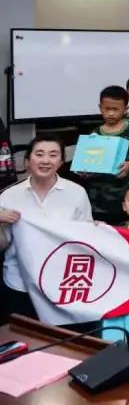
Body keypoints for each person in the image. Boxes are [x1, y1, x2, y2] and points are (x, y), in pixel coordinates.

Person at [0, 135, 93, 318]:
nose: (45, 161)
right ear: (27, 161)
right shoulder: (9, 196)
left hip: (61, 285)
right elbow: (3, 245)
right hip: (19, 284)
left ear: (61, 162)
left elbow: (85, 242)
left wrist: (97, 231)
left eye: (53, 155)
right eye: (39, 154)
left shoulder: (77, 193)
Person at [82, 85, 129, 224]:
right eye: (107, 109)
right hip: (97, 197)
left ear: (126, 108)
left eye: (116, 109)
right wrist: (85, 171)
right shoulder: (94, 134)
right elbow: (86, 161)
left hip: (124, 196)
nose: (111, 113)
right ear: (100, 108)